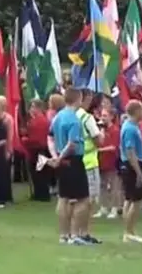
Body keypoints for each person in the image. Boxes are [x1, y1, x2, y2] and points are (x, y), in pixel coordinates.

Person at [47, 88, 91, 245]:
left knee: (63, 198)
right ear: (78, 99)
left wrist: (55, 156)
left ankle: (63, 235)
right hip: (73, 160)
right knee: (83, 199)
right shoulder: (74, 119)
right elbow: (72, 144)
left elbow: (50, 137)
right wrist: (59, 156)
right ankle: (74, 234)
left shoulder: (57, 117)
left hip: (62, 162)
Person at [75, 90, 104, 244]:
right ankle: (83, 232)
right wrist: (102, 133)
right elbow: (99, 141)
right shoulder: (87, 118)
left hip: (76, 161)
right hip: (90, 162)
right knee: (89, 200)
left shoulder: (71, 116)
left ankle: (77, 232)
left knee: (77, 199)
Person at [119, 100, 142, 243]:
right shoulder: (130, 128)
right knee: (137, 200)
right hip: (132, 165)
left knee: (129, 199)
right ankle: (129, 232)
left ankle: (128, 231)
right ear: (136, 111)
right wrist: (138, 171)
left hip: (129, 164)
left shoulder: (130, 126)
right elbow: (130, 151)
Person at [93, 109, 120, 219]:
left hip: (112, 162)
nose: (102, 118)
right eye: (101, 116)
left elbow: (114, 147)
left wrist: (99, 150)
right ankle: (103, 207)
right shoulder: (100, 130)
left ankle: (114, 208)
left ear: (111, 116)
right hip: (101, 162)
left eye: (105, 115)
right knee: (102, 185)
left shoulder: (115, 130)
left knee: (113, 186)